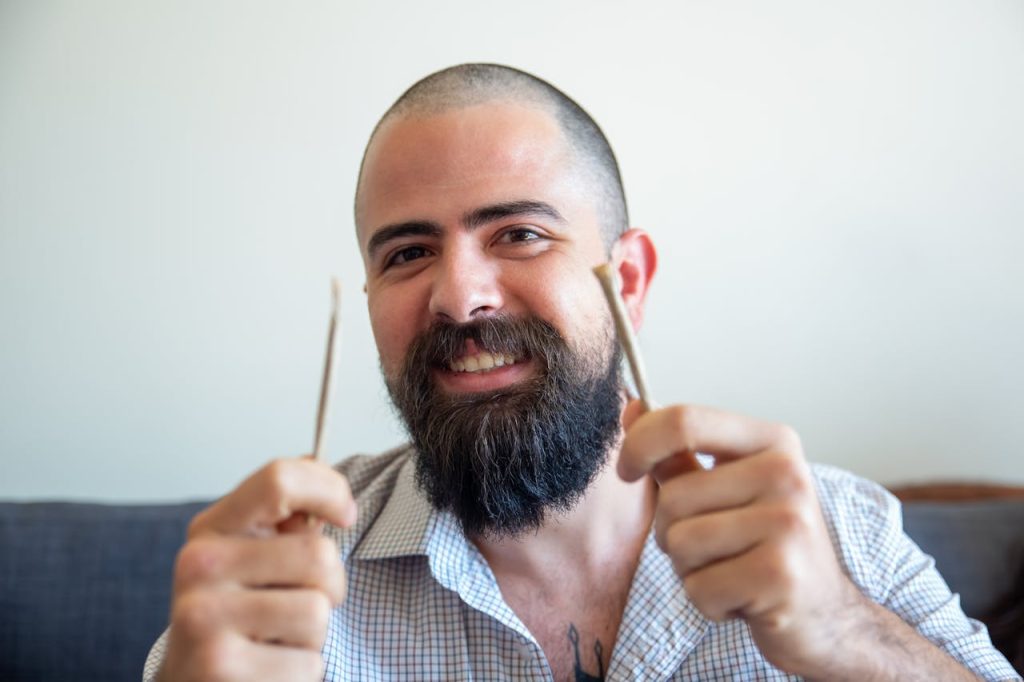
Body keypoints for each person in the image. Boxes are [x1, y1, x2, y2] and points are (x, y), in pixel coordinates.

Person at [143, 64, 1019, 681]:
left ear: (626, 280)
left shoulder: (839, 535)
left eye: (519, 233)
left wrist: (846, 633)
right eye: (409, 252)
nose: (459, 298)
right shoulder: (283, 579)